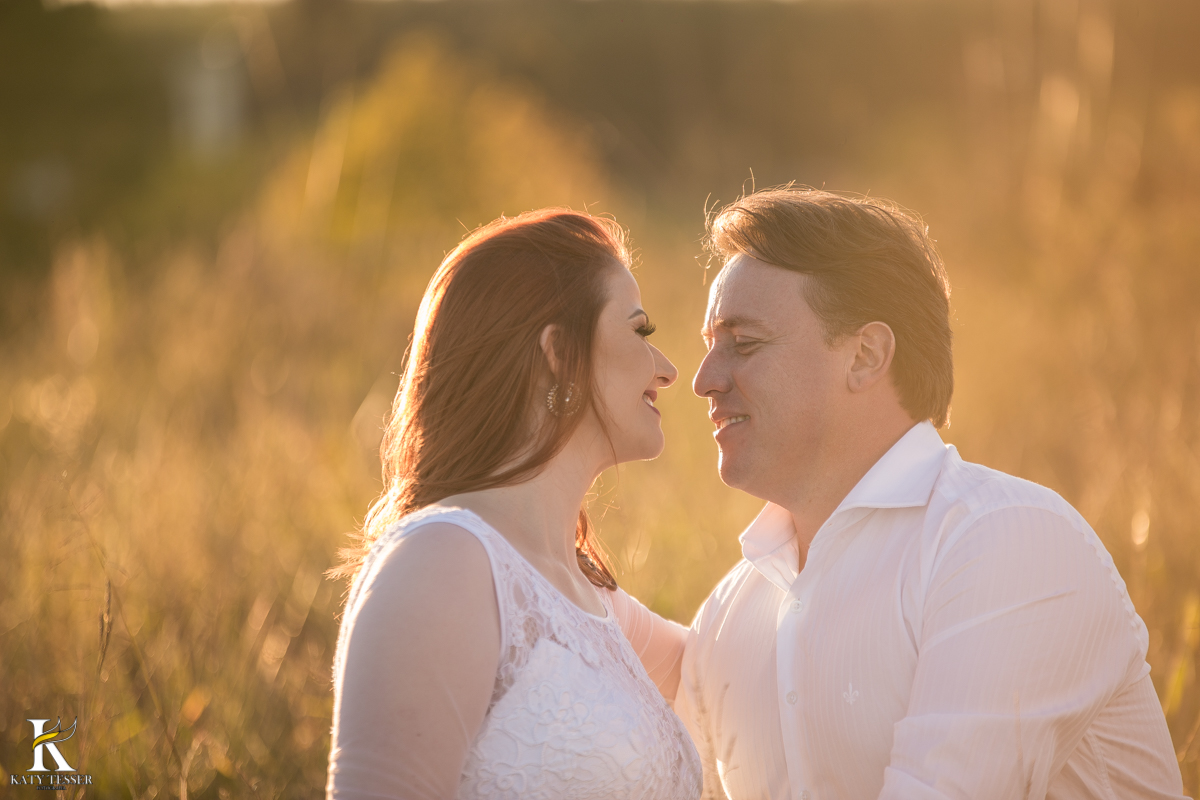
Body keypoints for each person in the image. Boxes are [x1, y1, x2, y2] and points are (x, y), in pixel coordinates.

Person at [672, 188, 1186, 799]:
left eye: (745, 343)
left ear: (865, 355)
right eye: (709, 346)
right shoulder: (728, 613)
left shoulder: (1005, 544)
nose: (704, 380)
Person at [325, 209, 701, 799]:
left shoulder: (589, 599)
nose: (668, 370)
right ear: (558, 351)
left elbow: (734, 664)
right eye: (640, 332)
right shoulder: (442, 563)